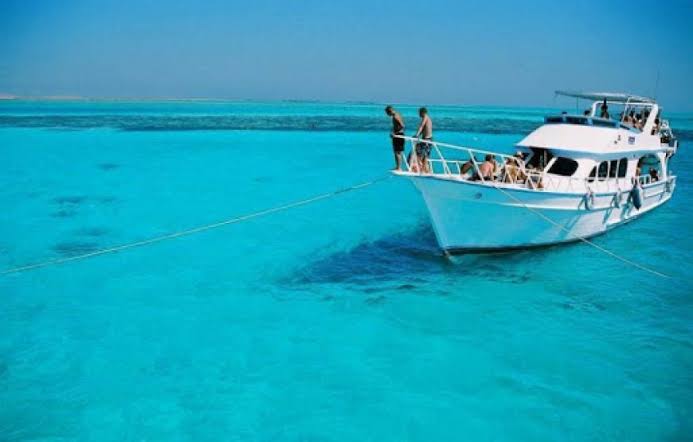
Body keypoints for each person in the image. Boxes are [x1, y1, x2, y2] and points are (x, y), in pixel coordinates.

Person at [412, 107, 433, 173]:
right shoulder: (428, 118)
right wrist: (418, 135)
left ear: (422, 113)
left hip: (427, 140)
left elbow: (421, 126)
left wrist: (416, 135)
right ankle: (425, 170)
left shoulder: (425, 117)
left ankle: (422, 169)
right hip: (428, 140)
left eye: (419, 113)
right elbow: (423, 129)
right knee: (425, 155)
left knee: (419, 153)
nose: (419, 114)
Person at [385, 105, 405, 170]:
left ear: (389, 112)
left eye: (387, 113)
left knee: (397, 152)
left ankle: (399, 167)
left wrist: (395, 133)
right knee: (397, 151)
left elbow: (403, 126)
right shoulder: (397, 114)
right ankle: (398, 166)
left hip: (399, 135)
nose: (388, 115)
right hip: (399, 135)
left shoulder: (396, 116)